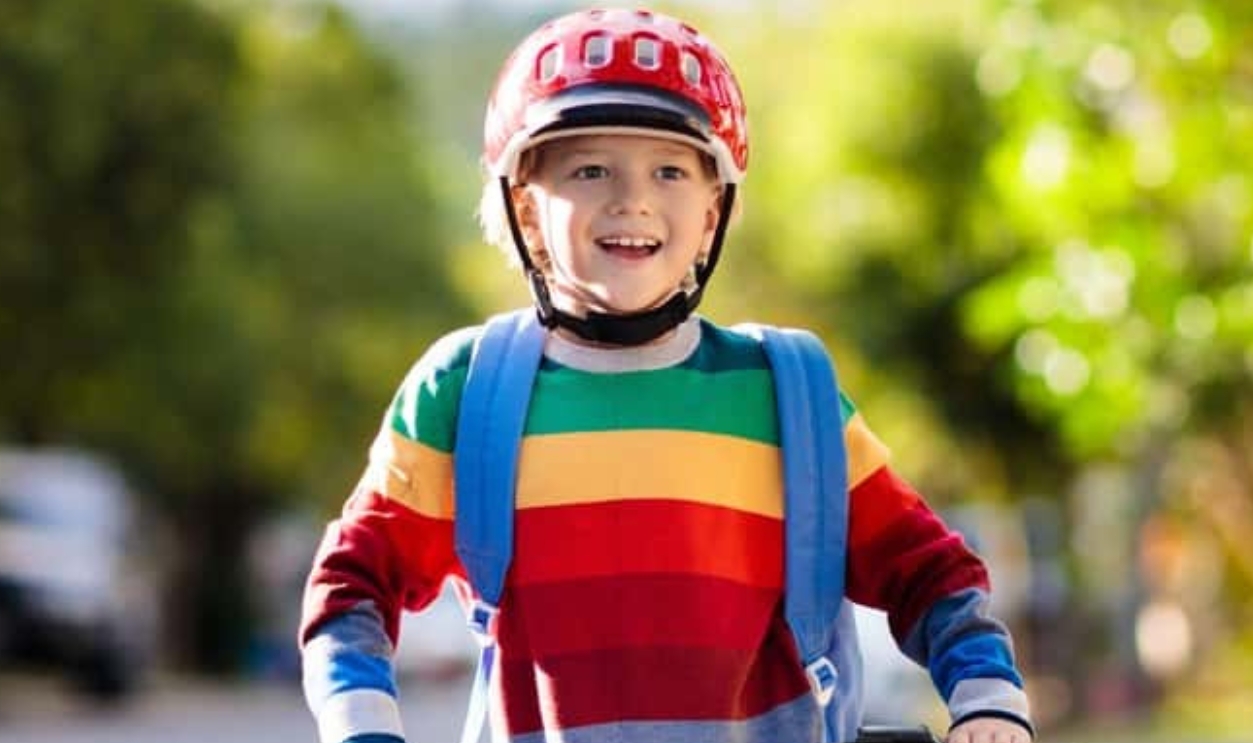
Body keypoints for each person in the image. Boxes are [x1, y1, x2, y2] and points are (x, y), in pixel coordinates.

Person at [298, 8, 1034, 743]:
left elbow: (928, 570)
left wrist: (987, 695)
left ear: (713, 211)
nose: (632, 198)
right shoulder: (466, 392)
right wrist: (361, 723)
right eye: (588, 169)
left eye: (670, 169)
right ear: (524, 203)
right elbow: (351, 585)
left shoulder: (783, 394)